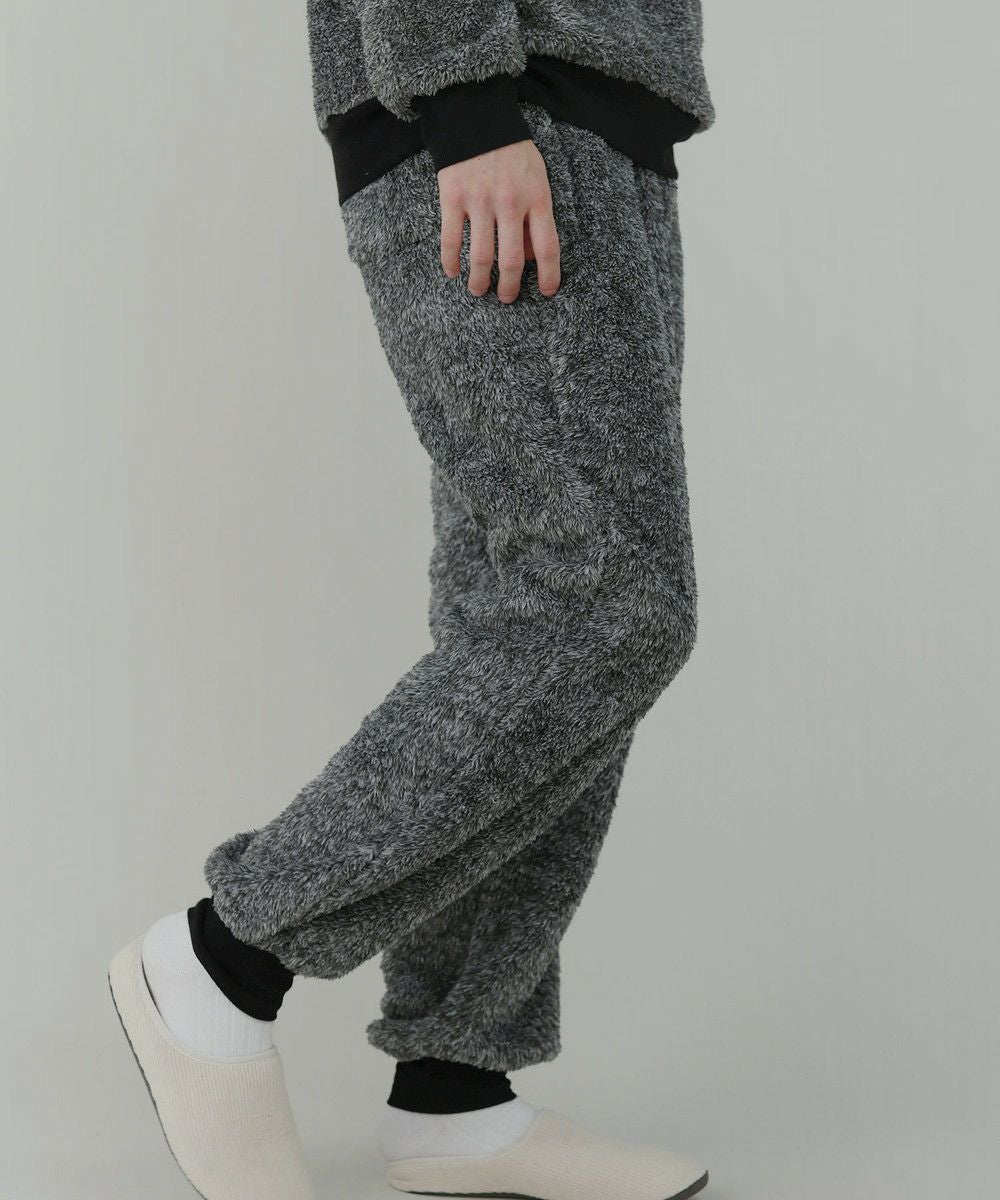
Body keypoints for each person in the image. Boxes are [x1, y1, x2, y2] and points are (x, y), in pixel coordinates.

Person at [109, 4, 714, 1198]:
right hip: (502, 104)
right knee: (603, 604)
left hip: (603, 115)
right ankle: (224, 956)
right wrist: (463, 96)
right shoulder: (479, 102)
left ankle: (457, 1090)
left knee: (532, 604)